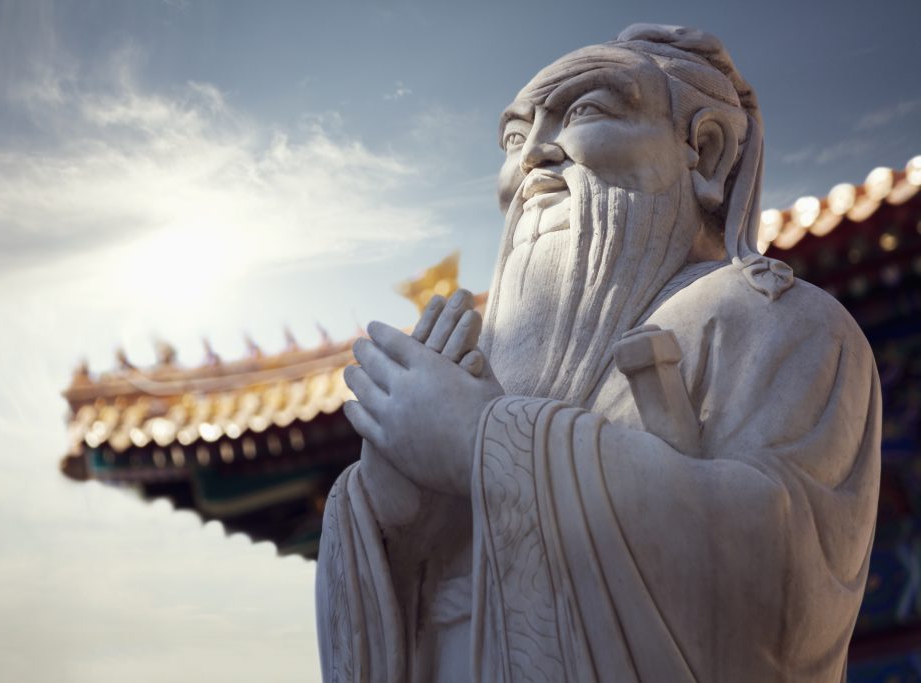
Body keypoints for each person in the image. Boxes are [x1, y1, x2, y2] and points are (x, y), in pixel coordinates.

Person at [317, 24, 880, 683]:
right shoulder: (485, 367)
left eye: (586, 111)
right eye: (514, 137)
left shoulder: (776, 322)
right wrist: (394, 518)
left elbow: (782, 577)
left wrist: (483, 438)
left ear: (705, 150)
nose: (531, 158)